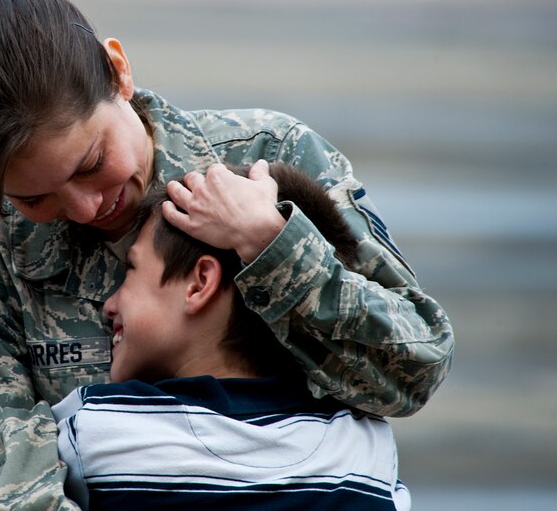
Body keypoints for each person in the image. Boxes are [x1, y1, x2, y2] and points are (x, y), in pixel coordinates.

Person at [0, 0, 453, 510]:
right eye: (32, 198)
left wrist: (272, 246)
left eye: (92, 164)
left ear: (117, 71)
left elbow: (410, 376)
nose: (83, 208)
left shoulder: (269, 159)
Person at [52, 164, 411, 510]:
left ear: (199, 284)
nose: (109, 305)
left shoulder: (95, 429)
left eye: (131, 269)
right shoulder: (366, 448)